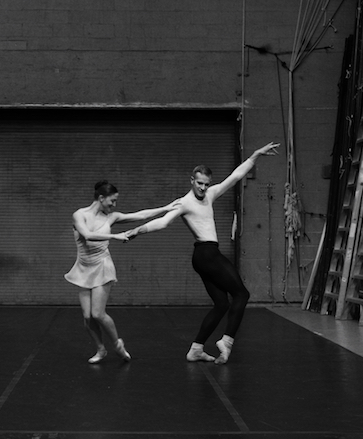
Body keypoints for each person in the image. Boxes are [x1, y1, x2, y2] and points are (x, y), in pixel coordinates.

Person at [125, 142, 280, 365]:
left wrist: (255, 155)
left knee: (222, 305)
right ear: (191, 180)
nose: (203, 188)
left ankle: (196, 348)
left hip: (205, 256)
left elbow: (235, 177)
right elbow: (163, 222)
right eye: (199, 184)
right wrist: (137, 231)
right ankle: (226, 342)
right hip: (206, 254)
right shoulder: (184, 202)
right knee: (242, 295)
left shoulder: (211, 194)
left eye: (206, 184)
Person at [65, 180, 179, 364]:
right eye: (112, 200)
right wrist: (114, 236)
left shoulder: (112, 217)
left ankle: (118, 344)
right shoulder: (79, 215)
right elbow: (87, 235)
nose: (114, 205)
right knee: (87, 317)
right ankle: (101, 349)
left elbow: (140, 215)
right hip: (83, 267)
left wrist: (166, 208)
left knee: (97, 314)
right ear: (101, 198)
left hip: (102, 265)